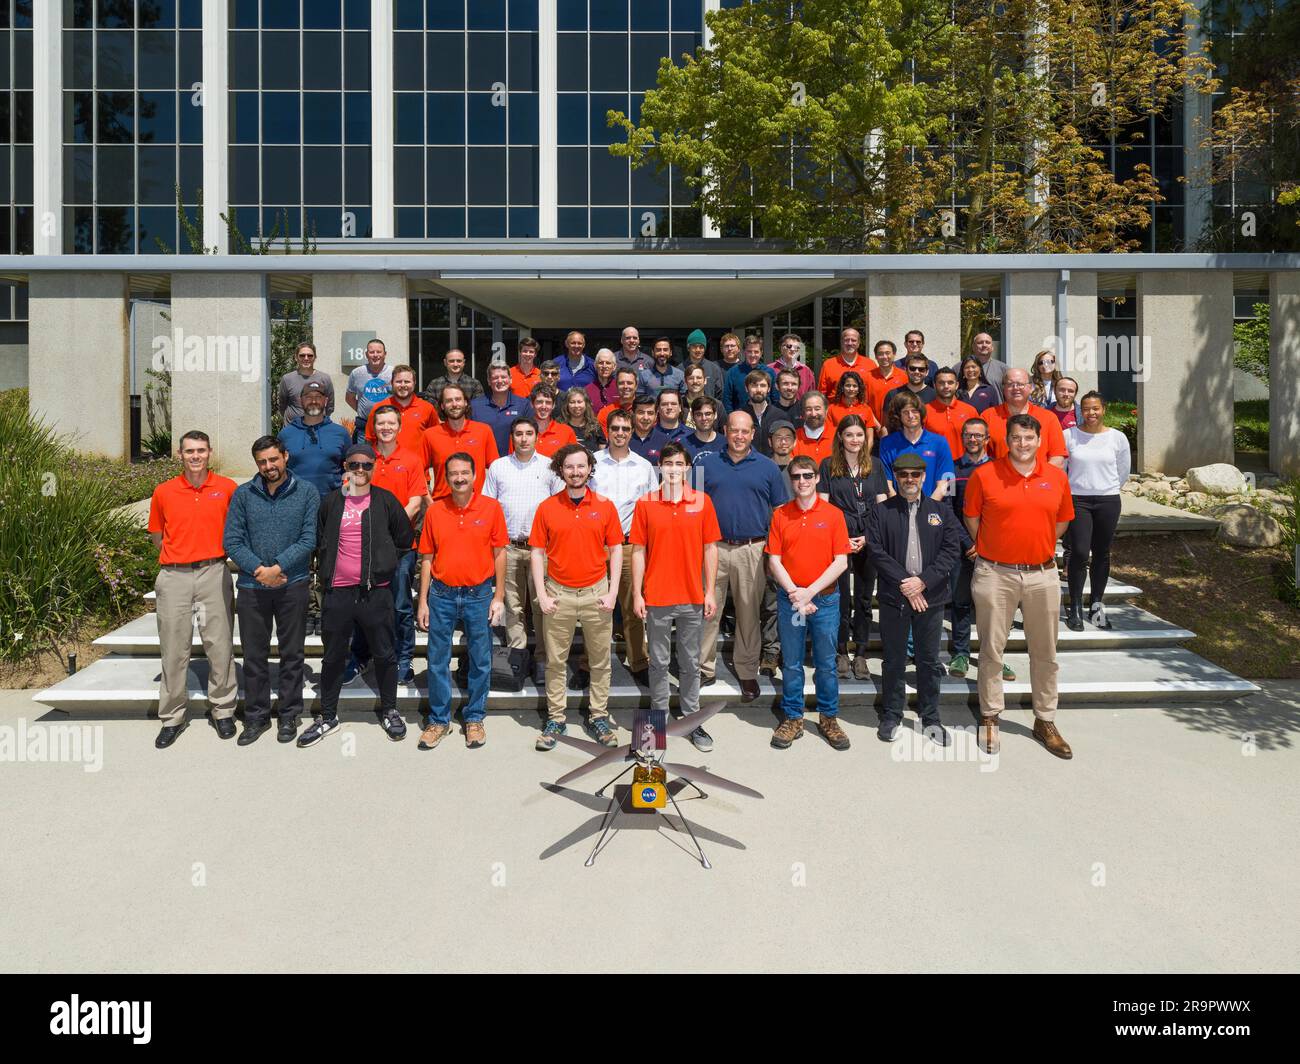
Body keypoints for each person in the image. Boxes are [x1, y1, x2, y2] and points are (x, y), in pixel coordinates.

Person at [964, 413, 1075, 760]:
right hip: (996, 573)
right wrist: (999, 548)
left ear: (1039, 441)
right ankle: (991, 715)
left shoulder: (1056, 478)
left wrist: (1034, 547)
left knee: (1045, 652)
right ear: (1006, 441)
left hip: (1042, 574)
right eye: (1016, 438)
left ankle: (1045, 719)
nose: (1023, 444)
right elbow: (972, 518)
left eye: (1029, 438)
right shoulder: (985, 475)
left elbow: (1061, 522)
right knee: (992, 650)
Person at [304, 442, 414, 748]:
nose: (361, 470)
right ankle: (327, 716)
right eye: (354, 465)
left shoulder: (386, 501)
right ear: (345, 468)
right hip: (337, 593)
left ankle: (390, 709)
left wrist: (384, 564)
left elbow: (405, 539)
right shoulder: (330, 503)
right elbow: (318, 539)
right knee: (333, 656)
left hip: (375, 594)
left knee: (384, 654)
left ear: (374, 467)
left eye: (366, 464)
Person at [222, 435, 318, 746]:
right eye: (262, 462)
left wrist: (277, 567)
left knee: (292, 654)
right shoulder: (243, 495)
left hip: (293, 584)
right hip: (252, 587)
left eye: (273, 459)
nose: (269, 466)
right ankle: (256, 716)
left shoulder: (306, 492)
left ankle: (289, 715)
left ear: (285, 457)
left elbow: (309, 539)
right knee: (254, 654)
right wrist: (260, 571)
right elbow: (232, 541)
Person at [530, 444, 624, 751]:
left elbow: (617, 550)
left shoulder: (605, 506)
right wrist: (542, 594)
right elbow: (537, 553)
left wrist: (612, 592)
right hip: (559, 594)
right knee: (556, 662)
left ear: (590, 468)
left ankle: (599, 716)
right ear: (561, 470)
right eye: (569, 467)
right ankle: (555, 718)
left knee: (600, 661)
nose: (575, 472)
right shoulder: (547, 508)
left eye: (581, 466)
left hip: (597, 593)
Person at [147, 431, 239, 749]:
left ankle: (223, 710)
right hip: (174, 577)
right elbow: (157, 535)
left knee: (220, 644)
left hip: (214, 571)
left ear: (210, 452)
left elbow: (237, 530)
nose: (195, 456)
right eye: (189, 451)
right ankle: (172, 717)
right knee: (174, 649)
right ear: (180, 454)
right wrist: (179, 559)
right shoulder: (164, 491)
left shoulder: (227, 488)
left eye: (201, 450)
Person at [631, 442, 722, 752]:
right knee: (657, 663)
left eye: (678, 464)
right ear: (661, 467)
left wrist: (709, 590)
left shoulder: (702, 501)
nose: (672, 468)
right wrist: (637, 593)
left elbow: (710, 548)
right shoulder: (646, 503)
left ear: (687, 468)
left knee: (690, 662)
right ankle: (659, 721)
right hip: (656, 596)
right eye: (667, 463)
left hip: (691, 596)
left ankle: (692, 720)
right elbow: (638, 551)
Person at [866, 451, 961, 745]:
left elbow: (950, 551)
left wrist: (923, 582)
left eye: (915, 475)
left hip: (930, 598)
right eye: (904, 475)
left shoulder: (940, 511)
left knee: (929, 661)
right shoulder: (881, 512)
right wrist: (906, 584)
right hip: (895, 597)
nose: (909, 480)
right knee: (893, 660)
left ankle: (931, 717)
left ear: (923, 478)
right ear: (896, 477)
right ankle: (892, 714)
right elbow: (875, 549)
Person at [415, 453, 507, 750]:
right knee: (437, 658)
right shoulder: (435, 511)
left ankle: (475, 717)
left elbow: (499, 553)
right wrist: (424, 601)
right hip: (441, 594)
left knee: (481, 658)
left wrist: (499, 596)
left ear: (475, 475)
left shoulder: (491, 508)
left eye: (464, 473)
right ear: (446, 476)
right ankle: (438, 720)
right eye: (453, 473)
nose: (459, 478)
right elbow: (427, 557)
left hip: (478, 595)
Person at [697, 410, 790, 698]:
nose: (739, 436)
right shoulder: (706, 464)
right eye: (734, 430)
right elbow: (692, 507)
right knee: (708, 611)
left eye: (745, 431)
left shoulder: (768, 468)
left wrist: (775, 553)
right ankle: (703, 669)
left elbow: (780, 513)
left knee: (749, 613)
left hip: (753, 549)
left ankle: (747, 671)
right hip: (713, 548)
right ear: (726, 430)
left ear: (753, 434)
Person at [766, 455, 851, 751]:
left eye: (807, 475)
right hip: (792, 602)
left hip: (824, 602)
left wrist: (809, 593)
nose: (802, 481)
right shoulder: (780, 515)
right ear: (791, 481)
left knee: (826, 664)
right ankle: (793, 717)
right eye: (796, 476)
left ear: (817, 478)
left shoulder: (833, 514)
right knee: (791, 663)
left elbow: (840, 561)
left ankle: (828, 717)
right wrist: (796, 595)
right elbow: (774, 560)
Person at [483, 418, 563, 683]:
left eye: (529, 433)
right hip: (508, 547)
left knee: (542, 604)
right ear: (512, 437)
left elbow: (560, 505)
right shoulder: (498, 467)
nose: (524, 438)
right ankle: (517, 655)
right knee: (513, 604)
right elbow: (489, 506)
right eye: (519, 434)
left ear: (536, 437)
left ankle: (541, 657)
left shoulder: (550, 466)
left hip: (541, 548)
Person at [817, 414, 890, 681]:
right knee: (841, 600)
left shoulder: (876, 465)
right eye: (850, 435)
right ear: (840, 437)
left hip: (869, 540)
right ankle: (840, 652)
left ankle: (860, 652)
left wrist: (869, 537)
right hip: (838, 541)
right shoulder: (827, 466)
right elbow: (823, 507)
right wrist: (840, 539)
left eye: (859, 435)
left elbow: (883, 505)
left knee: (863, 598)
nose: (855, 440)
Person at [360, 406, 428, 685]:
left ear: (399, 428)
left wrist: (385, 524)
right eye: (381, 423)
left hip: (401, 547)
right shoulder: (363, 460)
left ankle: (404, 658)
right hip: (366, 547)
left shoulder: (411, 460)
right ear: (373, 428)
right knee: (366, 603)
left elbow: (415, 502)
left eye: (391, 423)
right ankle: (367, 656)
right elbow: (354, 496)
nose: (386, 428)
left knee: (400, 605)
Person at [590, 410, 658, 683]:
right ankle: (588, 664)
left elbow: (650, 509)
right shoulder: (592, 463)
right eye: (615, 428)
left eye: (625, 429)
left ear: (632, 432)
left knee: (632, 607)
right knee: (594, 609)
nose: (620, 433)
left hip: (629, 546)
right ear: (607, 430)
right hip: (595, 546)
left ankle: (639, 662)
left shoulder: (643, 467)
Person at [945, 417, 1014, 684]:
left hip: (994, 549)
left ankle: (995, 656)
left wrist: (985, 544)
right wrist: (969, 543)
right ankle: (961, 653)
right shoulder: (951, 470)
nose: (973, 440)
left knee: (993, 606)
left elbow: (1004, 511)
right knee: (961, 603)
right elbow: (949, 513)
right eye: (968, 435)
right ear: (962, 438)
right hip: (962, 549)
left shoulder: (1000, 470)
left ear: (987, 439)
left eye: (978, 436)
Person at [1064, 392, 1131, 632]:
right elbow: (1061, 469)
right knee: (1080, 553)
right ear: (1079, 411)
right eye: (1085, 409)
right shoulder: (1069, 435)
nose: (1090, 413)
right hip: (1077, 500)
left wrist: (1107, 487)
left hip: (1108, 500)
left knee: (1102, 553)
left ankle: (1096, 607)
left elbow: (1123, 470)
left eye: (1095, 408)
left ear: (1104, 409)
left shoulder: (1117, 438)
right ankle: (1074, 609)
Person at [423, 383, 500, 500]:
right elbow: (418, 473)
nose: (454, 404)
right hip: (441, 504)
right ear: (442, 406)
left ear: (466, 402)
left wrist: (490, 502)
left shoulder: (484, 431)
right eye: (449, 401)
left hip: (477, 504)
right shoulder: (430, 435)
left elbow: (497, 470)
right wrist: (430, 503)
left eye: (458, 399)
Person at [982, 368, 1068, 467]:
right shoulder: (988, 417)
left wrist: (1037, 480)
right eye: (1010, 384)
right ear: (1003, 388)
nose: (1015, 388)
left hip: (1039, 480)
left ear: (1031, 388)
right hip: (1000, 481)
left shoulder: (1049, 418)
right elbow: (980, 457)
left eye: (1020, 384)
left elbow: (1057, 458)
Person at [878, 391, 955, 500]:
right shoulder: (887, 443)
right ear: (899, 416)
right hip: (898, 509)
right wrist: (901, 509)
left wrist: (927, 508)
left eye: (914, 411)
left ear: (921, 413)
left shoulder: (939, 442)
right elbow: (886, 483)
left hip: (933, 507)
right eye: (905, 412)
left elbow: (947, 482)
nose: (911, 416)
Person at [279, 380, 350, 498]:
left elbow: (349, 469)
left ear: (326, 401)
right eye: (308, 397)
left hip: (331, 502)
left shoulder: (340, 433)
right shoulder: (286, 434)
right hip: (296, 502)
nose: (313, 401)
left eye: (318, 397)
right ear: (301, 401)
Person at [365, 364, 438, 450]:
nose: (403, 385)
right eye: (398, 382)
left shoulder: (427, 408)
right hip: (387, 462)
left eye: (407, 382)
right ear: (392, 383)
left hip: (418, 463)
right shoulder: (379, 408)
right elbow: (370, 440)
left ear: (414, 383)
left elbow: (435, 439)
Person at [472, 363, 535, 456]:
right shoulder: (475, 406)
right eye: (495, 377)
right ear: (489, 381)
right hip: (485, 465)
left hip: (515, 464)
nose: (500, 381)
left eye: (503, 377)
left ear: (510, 380)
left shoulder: (523, 405)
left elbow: (531, 435)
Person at [923, 367, 978, 459]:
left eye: (950, 382)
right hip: (936, 466)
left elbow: (980, 441)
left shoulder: (970, 411)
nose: (946, 386)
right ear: (934, 385)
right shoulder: (924, 411)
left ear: (956, 385)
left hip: (965, 468)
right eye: (941, 383)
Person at [345, 337, 393, 443]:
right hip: (364, 428)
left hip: (389, 427)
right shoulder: (357, 373)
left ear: (385, 354)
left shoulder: (393, 373)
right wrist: (362, 410)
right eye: (372, 352)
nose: (375, 355)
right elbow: (349, 397)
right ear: (367, 355)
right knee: (364, 458)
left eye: (379, 352)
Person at [277, 342, 334, 422]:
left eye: (310, 355)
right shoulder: (287, 379)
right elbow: (282, 405)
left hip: (318, 429)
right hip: (293, 429)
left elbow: (330, 406)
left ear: (315, 358)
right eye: (302, 355)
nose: (306, 358)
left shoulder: (325, 379)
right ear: (296, 357)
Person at [827, 370, 880, 449]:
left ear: (859, 389)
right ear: (842, 387)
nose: (851, 389)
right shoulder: (832, 409)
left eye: (854, 386)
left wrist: (863, 457)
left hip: (861, 453)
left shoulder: (866, 409)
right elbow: (829, 437)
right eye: (848, 385)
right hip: (838, 453)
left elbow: (870, 439)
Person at [723, 335, 776, 413]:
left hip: (765, 417)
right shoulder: (733, 372)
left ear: (761, 353)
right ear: (744, 352)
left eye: (756, 352)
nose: (752, 355)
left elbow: (775, 398)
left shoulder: (770, 372)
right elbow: (727, 400)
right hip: (741, 419)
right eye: (749, 351)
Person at [523, 383, 579, 457]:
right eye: (539, 402)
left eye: (548, 402)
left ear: (553, 405)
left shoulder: (567, 432)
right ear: (532, 404)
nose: (544, 406)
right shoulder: (521, 432)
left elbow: (574, 461)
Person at [883, 353, 938, 423]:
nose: (916, 372)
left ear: (927, 372)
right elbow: (885, 426)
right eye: (912, 368)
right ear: (906, 370)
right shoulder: (893, 395)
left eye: (921, 369)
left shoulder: (935, 396)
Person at [744, 369, 788, 455]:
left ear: (769, 389)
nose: (759, 390)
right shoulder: (740, 416)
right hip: (746, 465)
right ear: (746, 388)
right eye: (754, 385)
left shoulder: (780, 416)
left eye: (763, 385)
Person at [864, 339, 907, 427]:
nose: (884, 356)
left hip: (899, 429)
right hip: (874, 429)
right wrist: (878, 427)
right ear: (876, 356)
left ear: (894, 354)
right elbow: (864, 405)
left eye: (888, 353)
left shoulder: (904, 376)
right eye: (880, 353)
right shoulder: (867, 377)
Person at [817, 326, 868, 398]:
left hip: (862, 408)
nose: (850, 343)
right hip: (834, 408)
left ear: (859, 343)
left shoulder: (870, 364)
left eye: (853, 340)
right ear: (841, 342)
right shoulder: (828, 364)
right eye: (846, 340)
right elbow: (821, 394)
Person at [956, 332, 1007, 402]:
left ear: (992, 347)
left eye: (988, 342)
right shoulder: (958, 367)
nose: (984, 345)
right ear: (973, 347)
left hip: (995, 411)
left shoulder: (1003, 369)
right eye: (980, 342)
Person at [792, 390, 835, 466]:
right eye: (808, 409)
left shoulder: (838, 435)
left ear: (826, 410)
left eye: (817, 409)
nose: (813, 414)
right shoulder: (793, 438)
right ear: (802, 412)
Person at [560, 386, 607, 452]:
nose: (576, 406)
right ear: (567, 405)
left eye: (579, 402)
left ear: (586, 404)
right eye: (572, 402)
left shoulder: (595, 425)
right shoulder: (560, 426)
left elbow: (603, 448)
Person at [683, 329, 725, 400]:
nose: (698, 350)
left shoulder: (714, 369)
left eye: (701, 347)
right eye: (694, 346)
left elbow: (720, 394)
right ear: (688, 348)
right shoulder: (680, 369)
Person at [769, 333, 815, 397]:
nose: (793, 349)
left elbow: (811, 395)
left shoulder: (806, 371)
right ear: (781, 348)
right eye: (789, 346)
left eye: (797, 347)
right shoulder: (769, 369)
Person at [596, 367, 639, 435]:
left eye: (629, 383)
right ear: (616, 385)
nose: (625, 386)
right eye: (621, 383)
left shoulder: (645, 412)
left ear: (636, 386)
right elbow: (603, 442)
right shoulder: (605, 413)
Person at [683, 395, 725, 464]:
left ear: (715, 415)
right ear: (692, 416)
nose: (704, 418)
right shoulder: (683, 445)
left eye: (708, 414)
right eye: (699, 414)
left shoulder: (726, 444)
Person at [628, 394, 669, 463]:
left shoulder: (666, 442)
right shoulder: (622, 438)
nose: (645, 418)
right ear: (632, 414)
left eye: (650, 413)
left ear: (656, 416)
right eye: (641, 412)